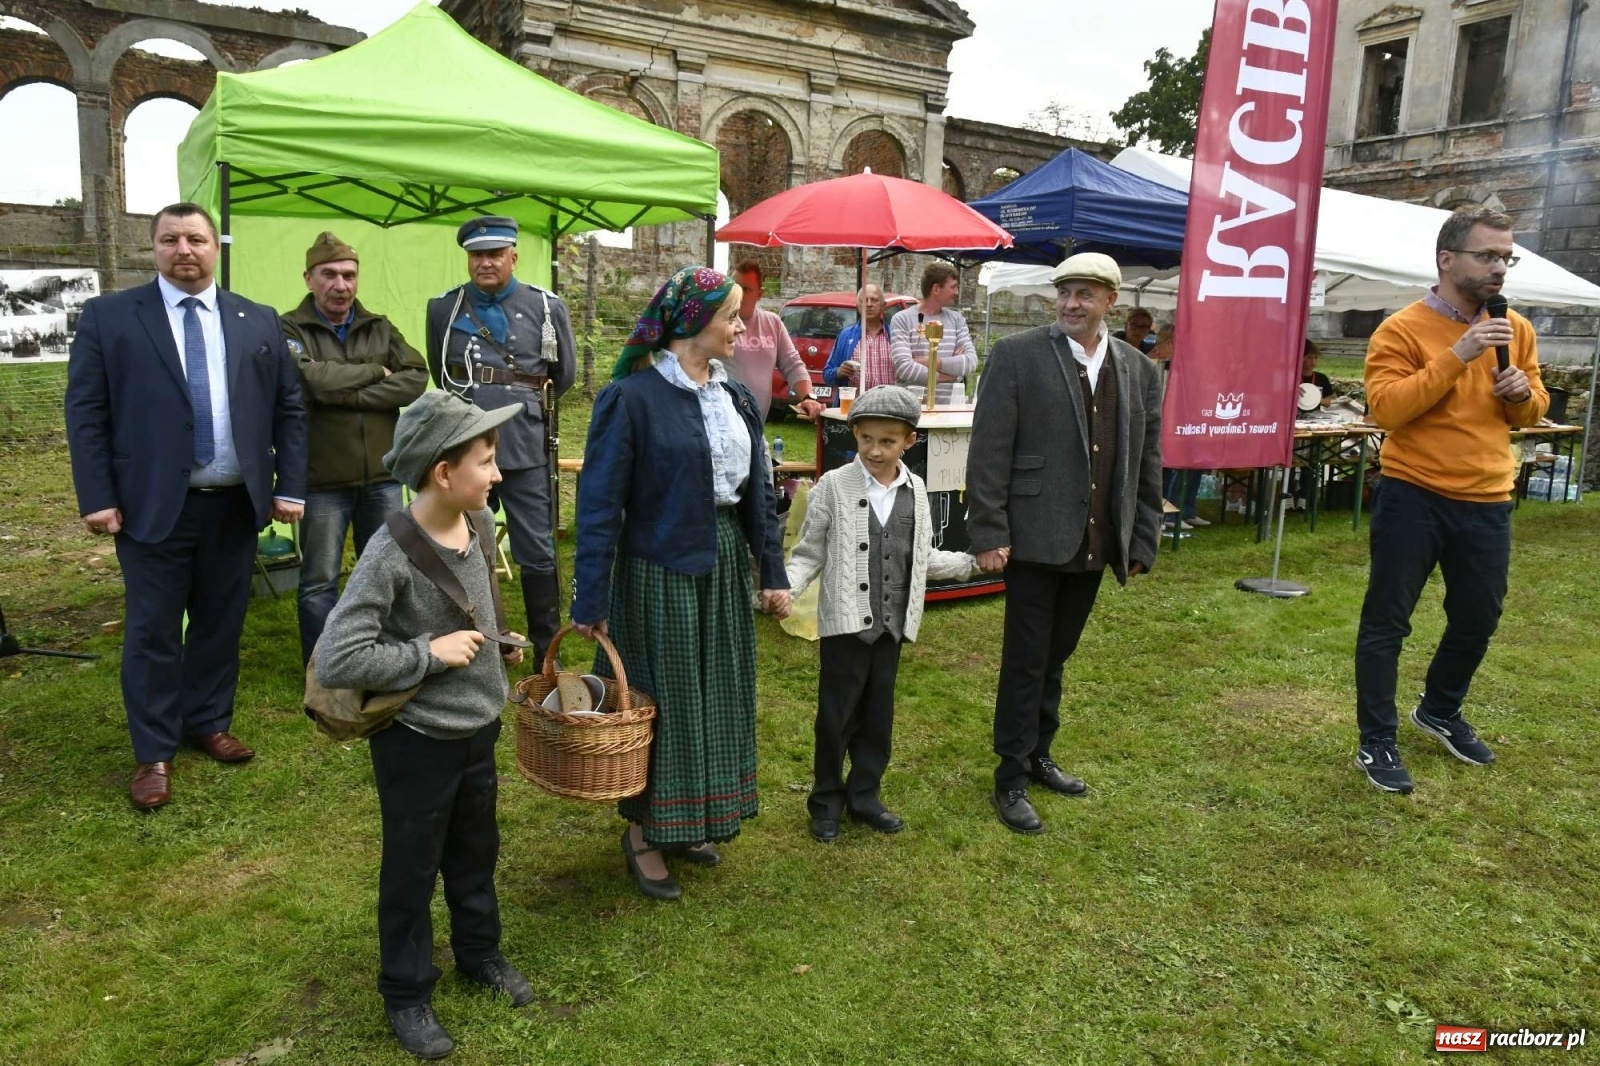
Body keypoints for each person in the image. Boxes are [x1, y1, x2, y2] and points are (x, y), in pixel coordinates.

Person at [64, 202, 307, 811]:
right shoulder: (111, 317)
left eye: (195, 238)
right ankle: (153, 753)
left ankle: (207, 723)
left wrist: (289, 485)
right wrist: (97, 497)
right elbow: (87, 414)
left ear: (215, 247)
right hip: (150, 505)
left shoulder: (257, 320)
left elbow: (290, 410)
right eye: (170, 239)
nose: (184, 250)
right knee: (152, 631)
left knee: (221, 624)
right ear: (154, 248)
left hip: (233, 505)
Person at [315, 390, 532, 1060]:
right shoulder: (389, 552)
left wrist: (496, 640)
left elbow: (465, 605)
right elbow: (337, 655)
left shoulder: (480, 520)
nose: (496, 474)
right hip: (416, 743)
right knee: (411, 869)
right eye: (486, 460)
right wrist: (426, 656)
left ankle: (480, 955)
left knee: (475, 853)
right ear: (444, 473)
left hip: (477, 730)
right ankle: (406, 993)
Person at [571, 265, 791, 901]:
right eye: (731, 315)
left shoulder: (736, 398)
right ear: (693, 322)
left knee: (714, 693)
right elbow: (599, 504)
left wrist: (769, 573)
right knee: (664, 697)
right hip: (656, 568)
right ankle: (644, 832)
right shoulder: (633, 399)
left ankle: (695, 816)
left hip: (720, 562)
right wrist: (592, 595)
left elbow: (758, 497)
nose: (742, 326)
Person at [1352, 205, 1548, 794]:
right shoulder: (1402, 329)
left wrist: (1521, 395)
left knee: (1478, 617)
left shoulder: (1515, 327)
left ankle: (1439, 709)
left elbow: (1532, 407)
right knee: (1388, 622)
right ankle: (1376, 741)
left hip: (1487, 497)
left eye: (1505, 257)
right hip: (1414, 494)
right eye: (1487, 256)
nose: (1499, 268)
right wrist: (1458, 354)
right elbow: (1387, 409)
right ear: (1446, 259)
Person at [965, 252, 1163, 834]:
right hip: (1032, 537)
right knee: (1026, 659)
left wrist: (1141, 533)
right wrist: (990, 530)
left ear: (1111, 303)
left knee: (1059, 655)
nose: (1072, 303)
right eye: (1065, 292)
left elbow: (1145, 460)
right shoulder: (1018, 355)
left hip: (1097, 540)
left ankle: (1038, 752)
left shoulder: (1137, 369)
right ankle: (1010, 775)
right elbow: (989, 450)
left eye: (1085, 294)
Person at [785, 385, 977, 842]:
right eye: (866, 438)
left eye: (887, 441)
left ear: (909, 441)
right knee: (836, 716)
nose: (875, 449)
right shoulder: (834, 486)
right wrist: (785, 589)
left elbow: (923, 558)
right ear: (854, 434)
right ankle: (826, 799)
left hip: (891, 627)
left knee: (877, 716)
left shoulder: (916, 489)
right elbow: (809, 552)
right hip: (846, 629)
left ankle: (865, 794)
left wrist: (971, 562)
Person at [427, 215, 576, 668]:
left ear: (514, 256)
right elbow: (442, 371)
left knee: (536, 548)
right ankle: (483, 644)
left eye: (495, 254)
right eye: (477, 255)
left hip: (525, 445)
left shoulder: (547, 307)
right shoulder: (445, 309)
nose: (485, 263)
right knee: (464, 544)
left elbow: (562, 375)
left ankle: (545, 654)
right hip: (468, 444)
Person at [283, 231, 428, 665]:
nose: (340, 284)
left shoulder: (379, 326)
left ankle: (377, 658)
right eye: (329, 274)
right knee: (319, 581)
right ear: (309, 278)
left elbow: (416, 378)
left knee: (385, 574)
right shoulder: (289, 327)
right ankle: (323, 666)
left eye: (348, 274)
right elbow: (309, 379)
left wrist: (345, 392)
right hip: (322, 479)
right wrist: (375, 372)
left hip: (383, 477)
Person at [728, 259, 823, 421]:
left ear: (760, 294)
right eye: (734, 287)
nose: (739, 293)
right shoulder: (717, 323)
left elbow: (792, 365)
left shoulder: (772, 323)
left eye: (746, 289)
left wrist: (808, 397)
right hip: (724, 421)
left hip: (757, 424)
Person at [890, 262, 976, 405]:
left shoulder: (957, 320)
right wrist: (951, 376)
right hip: (911, 410)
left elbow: (971, 362)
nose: (957, 292)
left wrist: (932, 362)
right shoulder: (902, 319)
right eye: (953, 287)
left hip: (948, 411)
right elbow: (904, 368)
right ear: (936, 289)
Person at [1151, 322, 1208, 529]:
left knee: (1195, 466)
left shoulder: (1191, 365)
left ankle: (1187, 510)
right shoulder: (1160, 364)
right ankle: (1171, 514)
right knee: (1172, 468)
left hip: (1193, 421)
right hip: (1169, 424)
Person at [823, 283, 894, 398]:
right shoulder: (846, 336)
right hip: (855, 408)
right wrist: (839, 372)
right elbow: (827, 374)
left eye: (874, 300)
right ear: (858, 305)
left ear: (883, 305)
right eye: (864, 300)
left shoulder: (894, 335)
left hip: (889, 407)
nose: (869, 304)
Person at [1301, 338, 1334, 407]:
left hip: (1314, 415)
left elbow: (1327, 403)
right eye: (1309, 358)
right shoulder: (1292, 379)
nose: (1313, 362)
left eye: (1315, 358)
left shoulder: (1322, 378)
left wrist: (1314, 398)